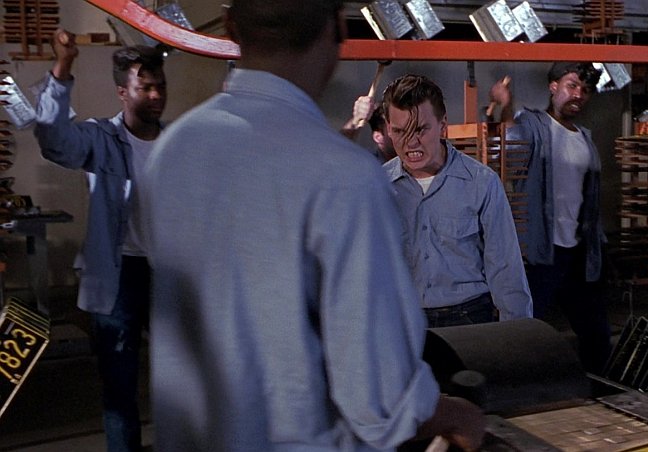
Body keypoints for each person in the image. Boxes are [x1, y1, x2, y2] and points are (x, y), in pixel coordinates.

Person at [141, 1, 483, 451]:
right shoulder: (344, 177)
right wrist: (456, 414)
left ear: (229, 25)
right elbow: (379, 399)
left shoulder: (173, 153)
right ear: (338, 26)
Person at [33, 30, 166, 452]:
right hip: (118, 272)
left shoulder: (176, 142)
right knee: (120, 384)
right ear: (122, 93)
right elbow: (53, 141)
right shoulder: (102, 138)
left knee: (178, 382)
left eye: (160, 86)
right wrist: (63, 66)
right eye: (145, 87)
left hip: (168, 273)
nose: (156, 95)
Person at [381, 74, 532, 328]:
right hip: (400, 319)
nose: (410, 142)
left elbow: (506, 270)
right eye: (399, 131)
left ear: (442, 126)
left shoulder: (481, 183)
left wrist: (517, 337)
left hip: (467, 318)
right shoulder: (378, 187)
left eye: (420, 129)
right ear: (388, 128)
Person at [489, 62, 612, 374]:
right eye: (572, 85)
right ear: (553, 86)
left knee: (596, 335)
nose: (579, 94)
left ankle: (599, 390)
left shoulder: (584, 137)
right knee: (523, 328)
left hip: (578, 250)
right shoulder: (532, 124)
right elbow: (509, 157)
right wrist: (506, 107)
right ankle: (513, 388)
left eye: (585, 90)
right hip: (540, 248)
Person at [341, 95, 397, 163]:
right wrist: (355, 121)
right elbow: (338, 152)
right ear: (378, 137)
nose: (407, 135)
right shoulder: (366, 163)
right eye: (397, 130)